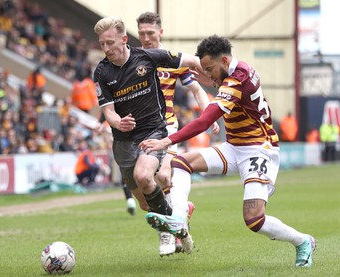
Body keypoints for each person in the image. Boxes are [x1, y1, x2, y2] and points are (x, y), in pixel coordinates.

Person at [139, 35, 316, 267]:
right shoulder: (232, 70)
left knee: (254, 219)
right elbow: (208, 76)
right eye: (206, 70)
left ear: (223, 60)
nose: (209, 75)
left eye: (210, 69)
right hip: (235, 147)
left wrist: (166, 141)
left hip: (258, 150)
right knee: (181, 162)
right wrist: (195, 68)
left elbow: (204, 121)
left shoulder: (236, 80)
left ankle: (303, 241)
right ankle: (179, 219)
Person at [93, 16, 204, 254]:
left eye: (110, 43)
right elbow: (108, 112)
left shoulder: (148, 57)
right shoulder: (102, 72)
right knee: (145, 203)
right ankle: (179, 224)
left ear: (124, 39)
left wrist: (226, 70)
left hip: (153, 130)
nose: (106, 48)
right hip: (123, 141)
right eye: (102, 44)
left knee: (145, 176)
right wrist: (117, 122)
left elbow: (192, 60)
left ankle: (167, 232)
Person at [135, 11, 219, 256]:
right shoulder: (132, 60)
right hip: (139, 131)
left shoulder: (173, 60)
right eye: (142, 34)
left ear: (161, 33)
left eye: (151, 33)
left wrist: (208, 114)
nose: (146, 38)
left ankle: (171, 232)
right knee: (143, 198)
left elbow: (196, 89)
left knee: (163, 175)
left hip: (166, 127)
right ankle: (181, 215)